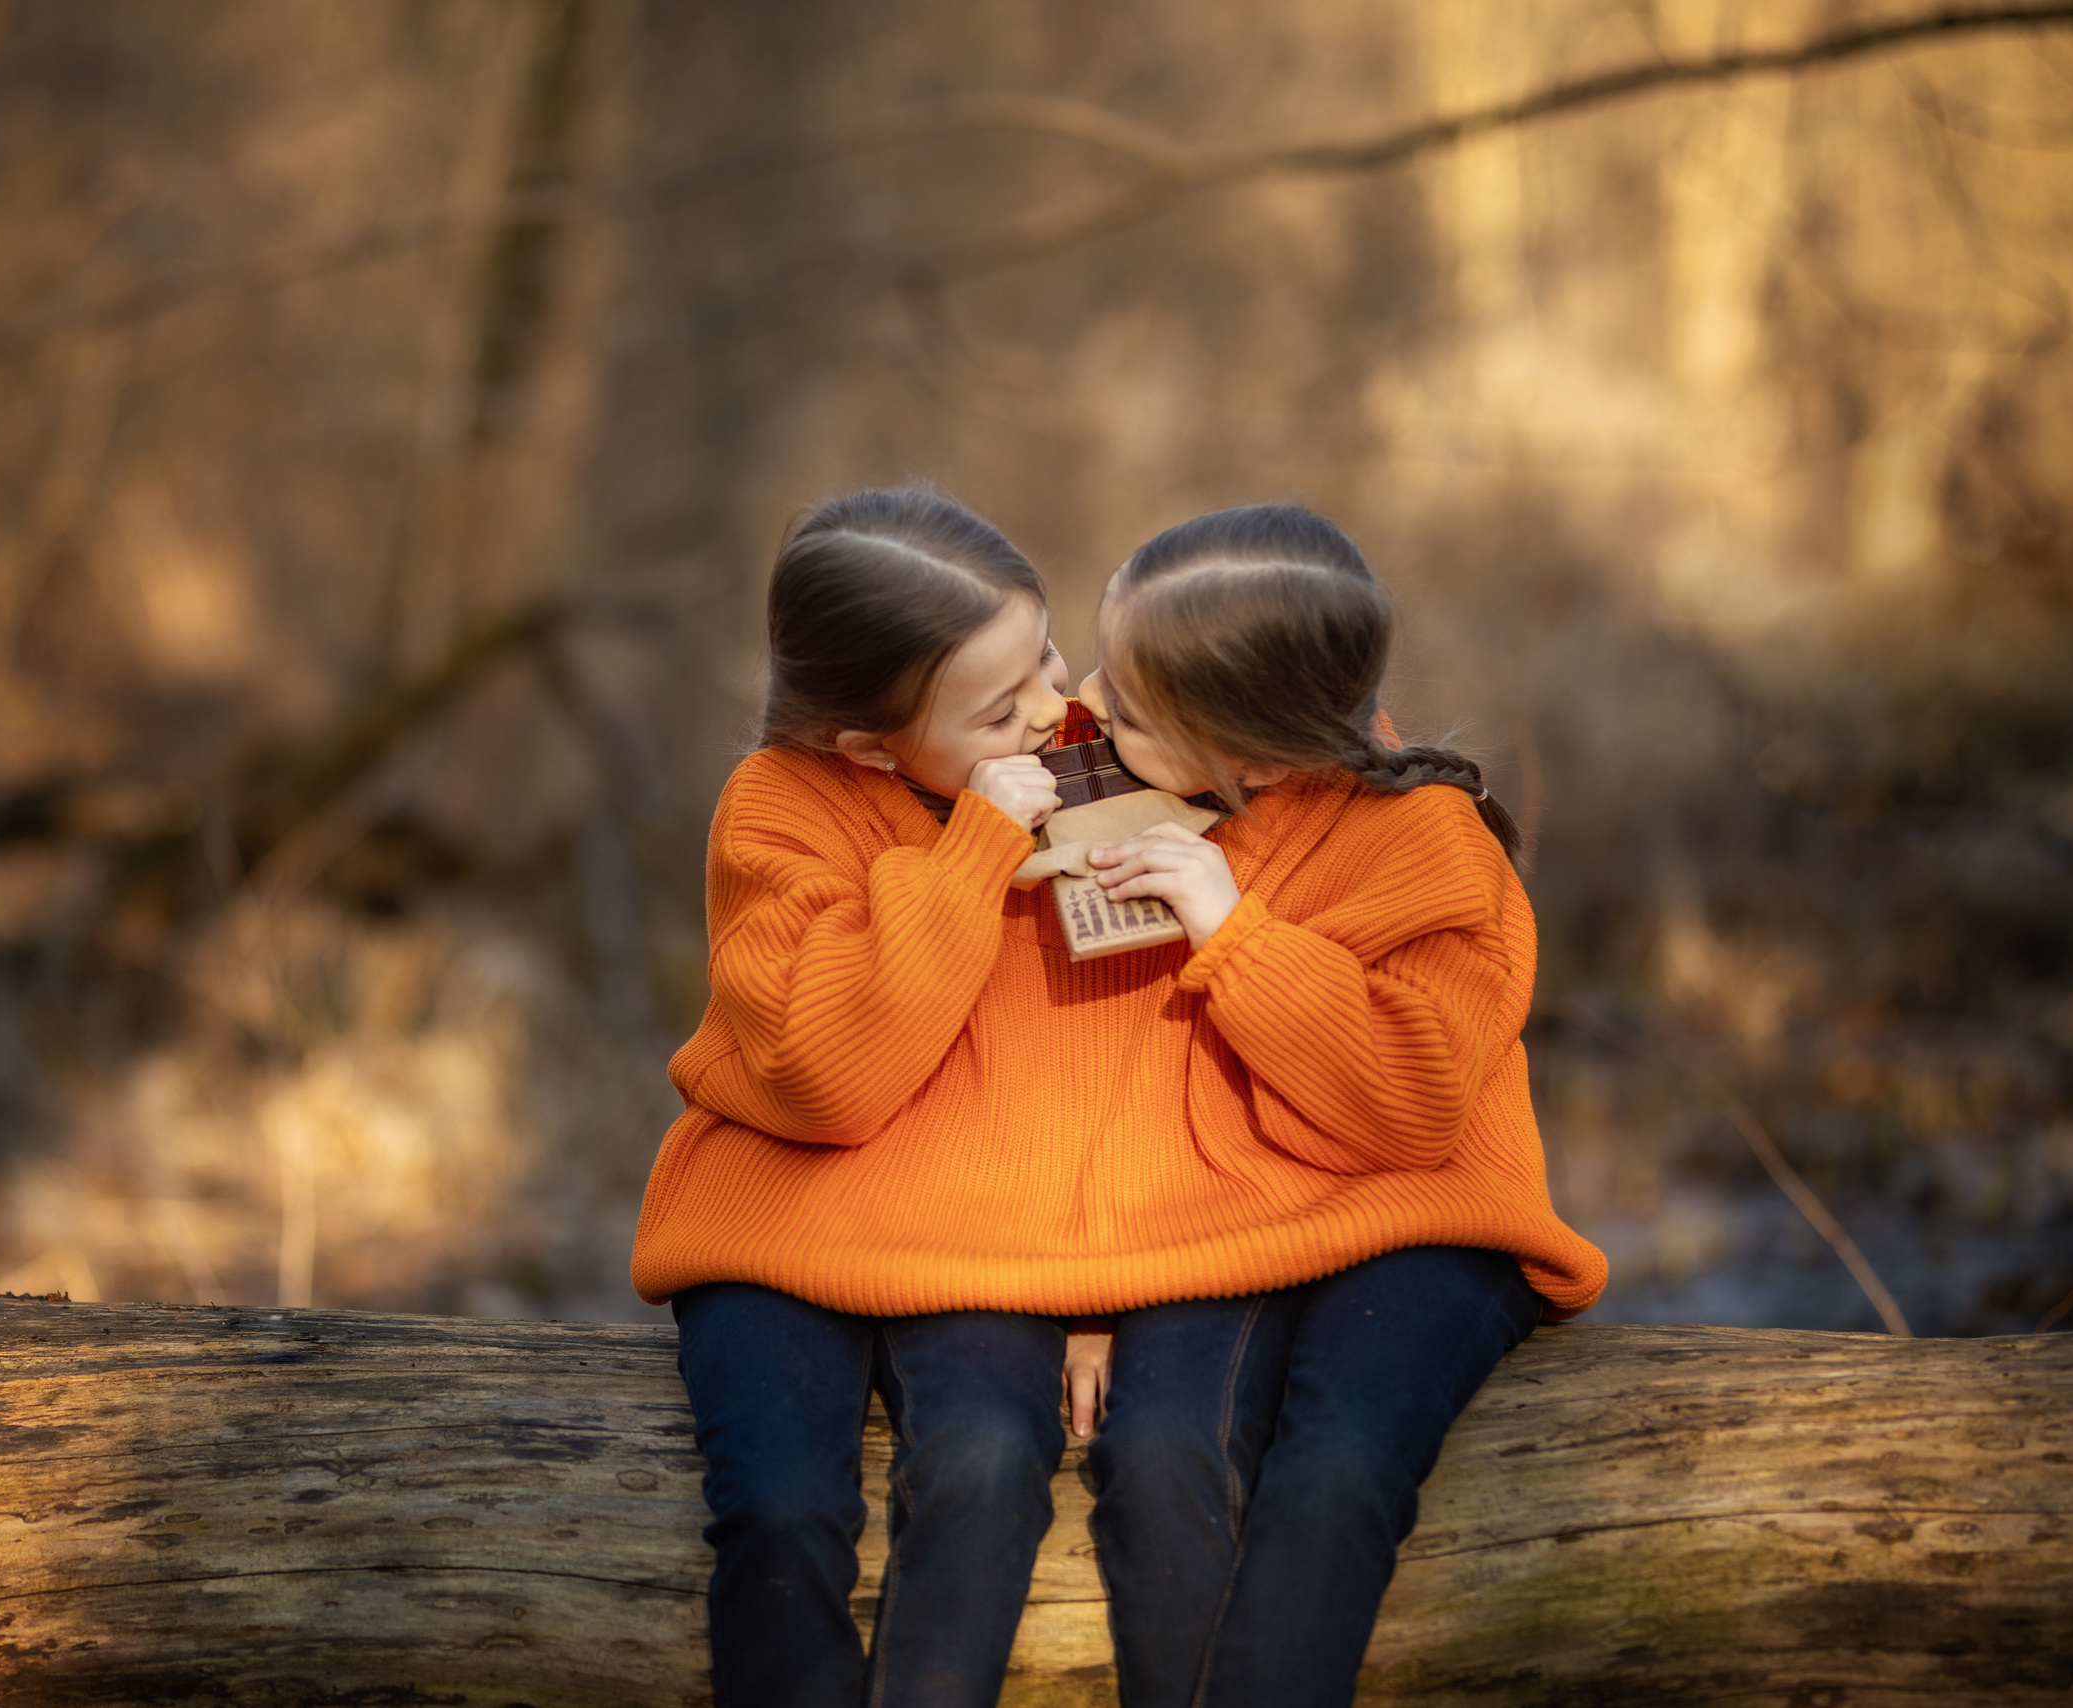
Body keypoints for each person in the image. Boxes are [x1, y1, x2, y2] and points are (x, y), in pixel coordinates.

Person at [1058, 501, 1607, 1708]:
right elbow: (1097, 1079)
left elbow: (1407, 1104)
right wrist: (1084, 1295)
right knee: (1153, 1455)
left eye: (1133, 705)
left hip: (1425, 1223)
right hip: (1224, 1222)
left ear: (1253, 754)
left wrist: (1234, 933)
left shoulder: (1428, 843)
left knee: (1337, 1464)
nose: (1087, 698)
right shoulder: (1116, 806)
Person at [631, 486, 1078, 1708]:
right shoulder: (776, 809)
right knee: (779, 1503)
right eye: (999, 709)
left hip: (981, 1224)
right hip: (775, 1223)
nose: (1050, 707)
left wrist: (1110, 1295)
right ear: (871, 747)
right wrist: (974, 851)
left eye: (1045, 650)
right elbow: (833, 1073)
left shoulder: (1081, 753)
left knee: (991, 1458)